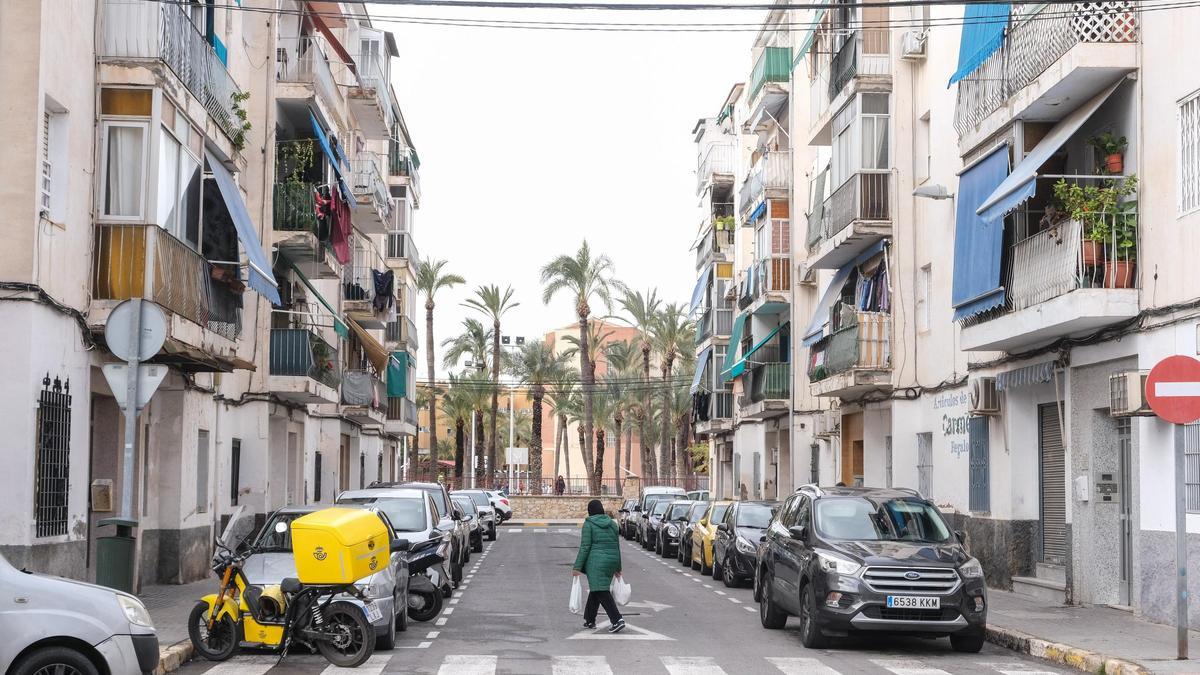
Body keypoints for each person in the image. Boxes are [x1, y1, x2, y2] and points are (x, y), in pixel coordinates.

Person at [572, 499, 625, 633]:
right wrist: (618, 568)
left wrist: (577, 567)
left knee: (601, 590)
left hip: (596, 563)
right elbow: (617, 547)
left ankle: (617, 619)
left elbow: (585, 547)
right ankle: (589, 619)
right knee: (596, 589)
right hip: (611, 562)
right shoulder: (613, 525)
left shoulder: (589, 525)